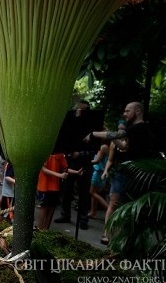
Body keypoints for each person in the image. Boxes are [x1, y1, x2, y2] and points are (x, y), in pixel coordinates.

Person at [86, 101, 155, 245]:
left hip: (134, 174)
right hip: (122, 171)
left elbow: (117, 135)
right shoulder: (132, 128)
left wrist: (93, 134)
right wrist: (112, 137)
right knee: (113, 202)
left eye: (127, 111)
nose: (124, 114)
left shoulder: (141, 127)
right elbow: (123, 145)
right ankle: (107, 234)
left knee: (126, 205)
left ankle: (123, 238)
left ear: (137, 111)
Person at [54, 101, 95, 230]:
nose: (77, 112)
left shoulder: (91, 125)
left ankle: (83, 219)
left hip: (85, 163)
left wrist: (81, 154)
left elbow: (94, 148)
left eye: (80, 110)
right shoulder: (69, 125)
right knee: (66, 189)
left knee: (84, 192)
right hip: (70, 162)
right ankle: (65, 214)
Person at [37, 151, 82, 230]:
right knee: (43, 207)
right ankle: (39, 229)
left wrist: (76, 172)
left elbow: (65, 169)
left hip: (54, 186)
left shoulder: (60, 154)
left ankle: (46, 229)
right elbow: (43, 169)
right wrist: (59, 175)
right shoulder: (45, 152)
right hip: (44, 185)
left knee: (51, 208)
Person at [87, 143, 109, 219]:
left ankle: (110, 209)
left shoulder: (103, 147)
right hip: (103, 172)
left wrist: (86, 161)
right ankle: (93, 212)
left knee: (92, 192)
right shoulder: (109, 147)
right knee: (95, 193)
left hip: (98, 172)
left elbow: (97, 160)